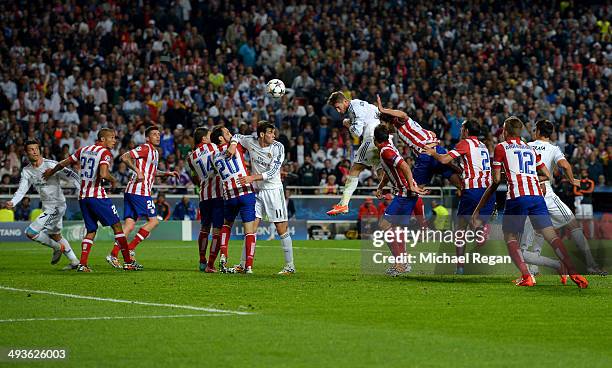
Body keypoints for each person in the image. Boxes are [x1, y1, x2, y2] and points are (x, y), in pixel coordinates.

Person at [472, 116, 587, 288]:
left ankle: (527, 277)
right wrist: (528, 176)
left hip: (518, 196)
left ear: (505, 131)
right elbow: (547, 175)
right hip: (536, 196)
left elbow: (495, 181)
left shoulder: (501, 147)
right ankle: (573, 271)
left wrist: (478, 208)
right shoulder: (528, 148)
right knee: (551, 236)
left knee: (510, 236)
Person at [43, 129, 142, 272]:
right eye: (112, 138)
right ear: (102, 139)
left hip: (83, 197)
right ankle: (128, 262)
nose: (114, 141)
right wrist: (114, 180)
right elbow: (103, 173)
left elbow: (64, 163)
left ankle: (83, 264)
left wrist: (50, 172)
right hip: (97, 196)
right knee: (117, 227)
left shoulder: (83, 149)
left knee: (91, 229)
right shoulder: (105, 153)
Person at [520, 120, 605, 276]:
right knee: (573, 224)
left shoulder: (527, 146)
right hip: (546, 194)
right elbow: (565, 166)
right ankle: (591, 265)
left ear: (538, 131)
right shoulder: (553, 149)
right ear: (550, 133)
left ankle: (533, 269)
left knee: (537, 231)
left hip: (527, 193)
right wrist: (573, 180)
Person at [424, 120, 495, 274]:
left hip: (473, 190)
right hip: (488, 190)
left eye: (462, 128)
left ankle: (460, 267)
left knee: (460, 230)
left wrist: (432, 153)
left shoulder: (465, 143)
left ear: (467, 131)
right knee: (474, 222)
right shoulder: (482, 146)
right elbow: (466, 167)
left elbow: (443, 159)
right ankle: (481, 228)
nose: (461, 130)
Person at [227, 121, 295, 274]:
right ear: (262, 134)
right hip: (257, 192)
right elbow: (237, 136)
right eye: (270, 132)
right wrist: (232, 144)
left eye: (274, 132)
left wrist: (252, 178)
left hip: (273, 190)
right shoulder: (251, 141)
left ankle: (290, 266)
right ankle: (243, 265)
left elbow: (273, 172)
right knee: (251, 228)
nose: (273, 135)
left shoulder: (278, 147)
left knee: (281, 228)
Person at [106, 126, 179, 268]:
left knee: (130, 225)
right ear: (147, 138)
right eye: (154, 134)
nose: (158, 136)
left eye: (159, 134)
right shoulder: (145, 148)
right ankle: (130, 249)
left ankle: (114, 254)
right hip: (140, 191)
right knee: (154, 221)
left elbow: (151, 171)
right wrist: (137, 170)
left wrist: (166, 174)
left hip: (132, 191)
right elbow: (124, 157)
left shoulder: (155, 152)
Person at [7, 140, 80, 268]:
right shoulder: (27, 171)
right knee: (55, 235)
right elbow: (22, 189)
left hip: (57, 205)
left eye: (36, 148)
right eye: (31, 149)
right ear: (26, 152)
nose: (35, 151)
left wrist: (82, 191)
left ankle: (57, 248)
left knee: (31, 232)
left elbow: (72, 176)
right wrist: (13, 202)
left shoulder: (51, 165)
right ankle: (74, 261)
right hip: (47, 206)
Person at [374, 125, 427, 276]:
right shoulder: (388, 147)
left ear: (375, 139)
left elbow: (404, 166)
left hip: (404, 193)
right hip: (405, 192)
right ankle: (403, 263)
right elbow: (390, 170)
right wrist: (380, 187)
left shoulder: (386, 151)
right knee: (396, 230)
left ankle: (400, 264)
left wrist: (410, 185)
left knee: (384, 225)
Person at [206, 126, 258, 274]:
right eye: (227, 133)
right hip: (245, 191)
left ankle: (223, 256)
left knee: (226, 225)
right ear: (221, 138)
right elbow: (240, 138)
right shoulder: (237, 146)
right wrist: (234, 142)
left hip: (229, 195)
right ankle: (248, 266)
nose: (230, 134)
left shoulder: (213, 157)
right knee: (249, 231)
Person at [326, 92, 381, 215]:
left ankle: (344, 204)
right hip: (382, 137)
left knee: (355, 169)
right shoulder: (361, 105)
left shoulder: (355, 108)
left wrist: (348, 124)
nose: (338, 111)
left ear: (345, 101)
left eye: (338, 107)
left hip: (371, 138)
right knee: (382, 170)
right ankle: (400, 194)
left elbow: (357, 132)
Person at [186, 127, 224, 272]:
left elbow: (194, 176)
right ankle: (211, 264)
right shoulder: (214, 146)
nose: (212, 137)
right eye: (209, 135)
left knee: (204, 228)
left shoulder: (190, 157)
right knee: (217, 231)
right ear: (204, 139)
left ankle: (202, 260)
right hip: (218, 194)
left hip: (204, 195)